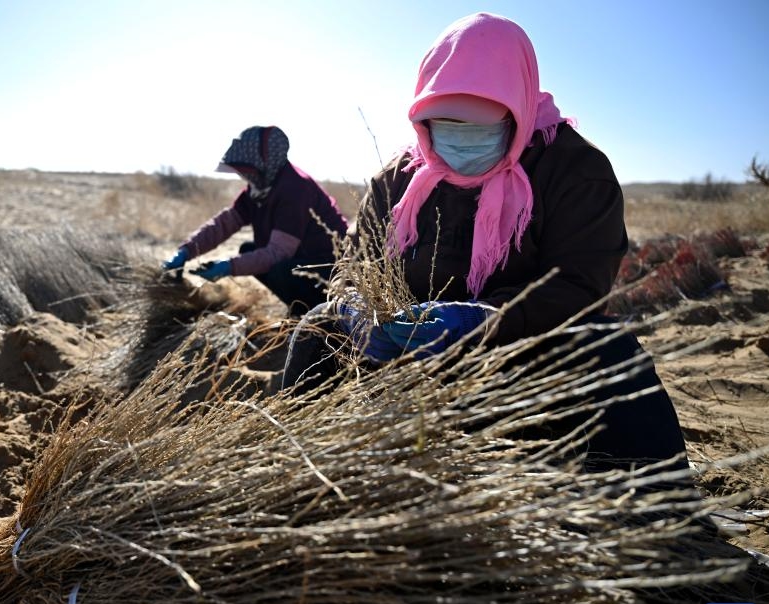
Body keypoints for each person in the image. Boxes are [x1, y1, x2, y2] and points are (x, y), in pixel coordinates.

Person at [282, 12, 688, 476]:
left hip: (519, 358)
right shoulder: (398, 180)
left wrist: (480, 321)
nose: (460, 139)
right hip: (410, 360)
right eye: (444, 125)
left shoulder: (575, 169)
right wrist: (359, 312)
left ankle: (662, 513)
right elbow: (355, 268)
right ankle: (299, 469)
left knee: (610, 351)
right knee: (318, 327)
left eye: (480, 126)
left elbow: (580, 286)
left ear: (518, 107)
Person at [161, 125, 349, 316]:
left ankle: (314, 313)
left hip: (332, 270)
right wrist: (186, 251)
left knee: (281, 270)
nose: (243, 176)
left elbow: (278, 253)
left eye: (247, 171)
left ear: (263, 166)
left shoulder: (295, 190)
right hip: (302, 259)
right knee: (248, 250)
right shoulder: (260, 188)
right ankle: (300, 309)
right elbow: (225, 222)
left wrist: (228, 267)